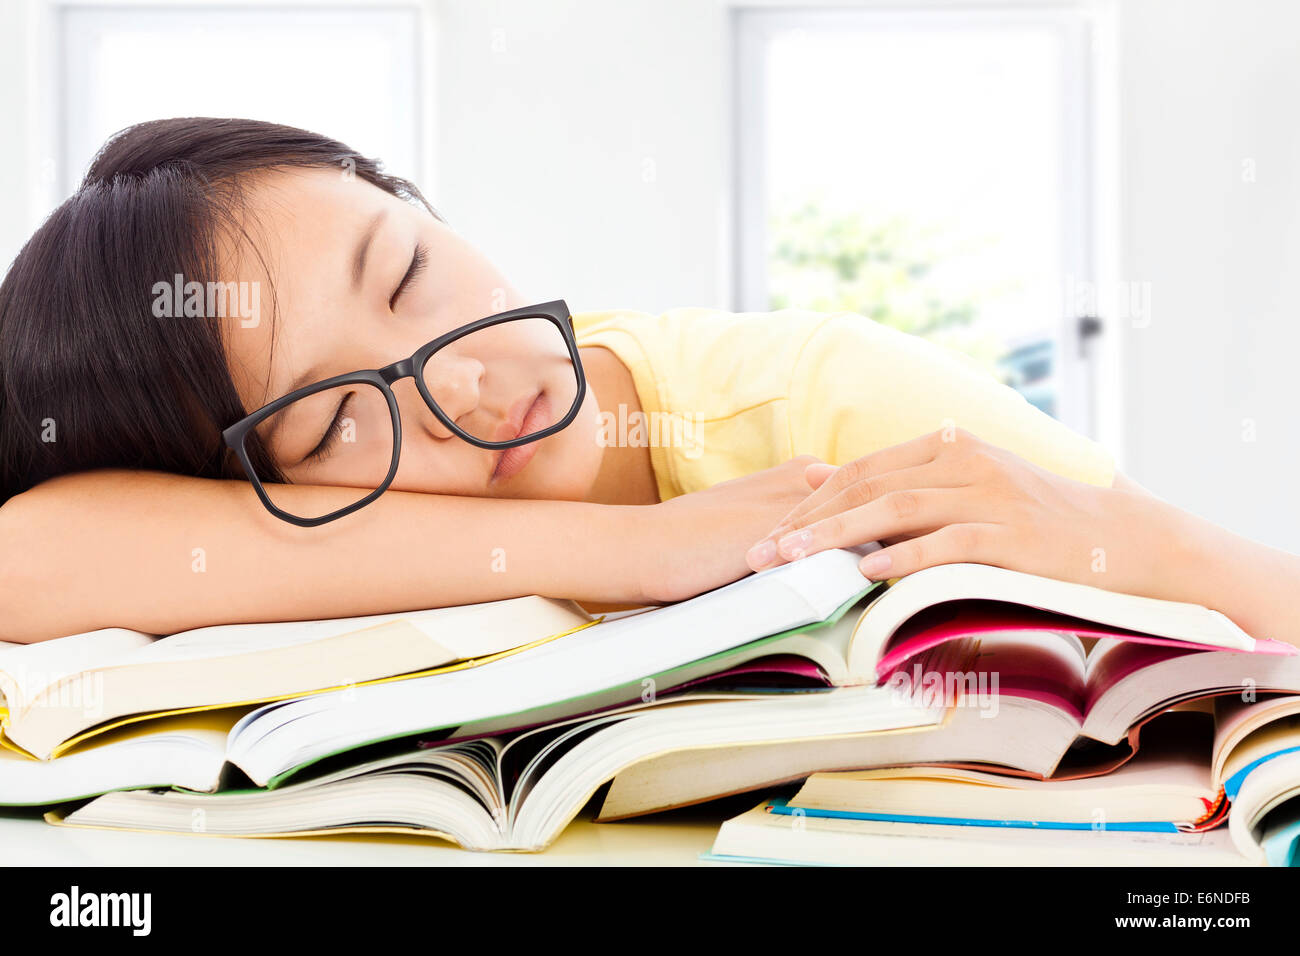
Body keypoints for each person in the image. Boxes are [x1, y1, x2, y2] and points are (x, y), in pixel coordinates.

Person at [1, 118, 1295, 649]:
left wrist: (1139, 537)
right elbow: (31, 553)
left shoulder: (812, 399)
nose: (463, 385)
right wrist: (642, 549)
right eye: (337, 417)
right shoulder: (273, 547)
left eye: (407, 274)